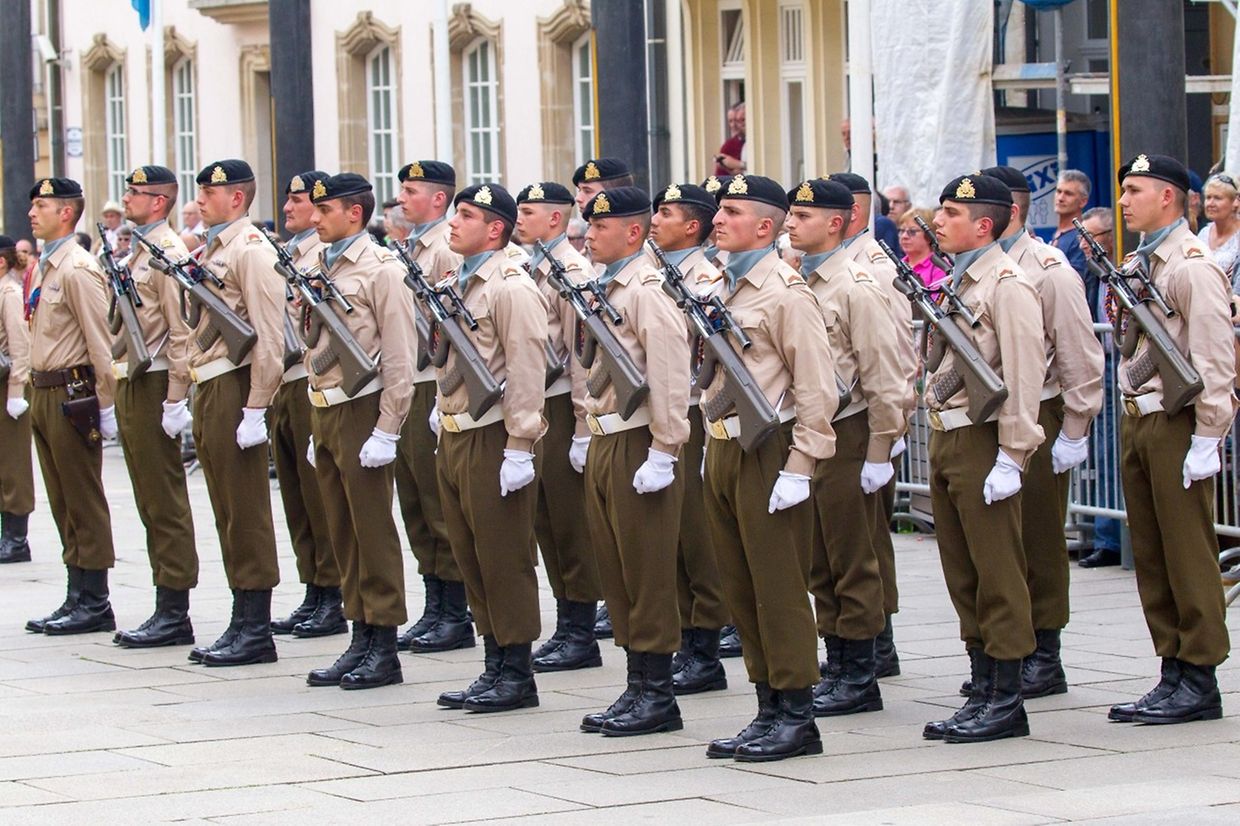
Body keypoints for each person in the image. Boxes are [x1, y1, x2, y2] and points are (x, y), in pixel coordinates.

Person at [702, 173, 839, 762]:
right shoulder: (719, 286)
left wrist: (801, 464)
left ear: (765, 226)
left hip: (770, 451)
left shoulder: (786, 293)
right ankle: (766, 705)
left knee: (779, 587)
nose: (717, 219)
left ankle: (797, 714)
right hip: (723, 446)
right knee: (741, 583)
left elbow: (817, 389)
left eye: (730, 211)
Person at [1107, 153, 1235, 725]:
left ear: (1167, 196)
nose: (1124, 200)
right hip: (1142, 419)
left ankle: (1200, 675)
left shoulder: (1190, 266)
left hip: (1177, 422)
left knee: (1186, 553)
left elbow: (1214, 358)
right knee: (1154, 555)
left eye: (1135, 190)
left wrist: (1209, 436)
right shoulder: (1143, 262)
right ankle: (1172, 669)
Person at [921, 173, 1045, 743]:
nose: (938, 222)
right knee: (963, 572)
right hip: (948, 437)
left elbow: (1023, 375)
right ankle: (981, 683)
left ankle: (1007, 697)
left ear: (984, 224)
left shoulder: (1008, 285)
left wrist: (1013, 455)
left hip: (984, 438)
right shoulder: (959, 281)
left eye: (950, 213)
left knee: (997, 573)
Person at [785, 178, 908, 719]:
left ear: (837, 223)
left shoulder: (858, 285)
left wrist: (881, 450)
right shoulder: (798, 282)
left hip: (852, 431)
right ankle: (836, 661)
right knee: (820, 558)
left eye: (803, 217)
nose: (791, 223)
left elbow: (888, 377)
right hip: (813, 431)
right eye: (789, 214)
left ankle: (860, 673)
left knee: (852, 558)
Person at [983, 165, 1105, 699]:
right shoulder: (980, 268)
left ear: (1008, 213)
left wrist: (1074, 429)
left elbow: (1079, 353)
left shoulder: (1049, 268)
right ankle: (1007, 644)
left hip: (1041, 410)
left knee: (1038, 536)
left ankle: (1045, 650)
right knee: (999, 542)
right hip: (992, 415)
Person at [577, 185, 691, 736]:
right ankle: (635, 683)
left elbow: (669, 376)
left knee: (645, 572)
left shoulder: (645, 291)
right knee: (617, 572)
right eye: (588, 226)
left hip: (638, 440)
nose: (590, 234)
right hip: (605, 438)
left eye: (601, 227)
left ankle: (658, 693)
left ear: (632, 232)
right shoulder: (603, 287)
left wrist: (665, 449)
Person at [433, 183, 549, 714]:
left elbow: (527, 369)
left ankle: (517, 671)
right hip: (457, 431)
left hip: (494, 434)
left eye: (466, 215)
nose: (454, 223)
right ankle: (492, 663)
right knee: (471, 555)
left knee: (503, 557)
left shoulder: (510, 287)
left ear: (495, 229)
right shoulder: (456, 279)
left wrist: (520, 445)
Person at [302, 172, 416, 690]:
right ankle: (359, 632)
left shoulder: (381, 270)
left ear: (354, 213)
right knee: (342, 529)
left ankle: (384, 642)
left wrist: (388, 427)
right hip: (326, 408)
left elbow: (398, 355)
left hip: (363, 408)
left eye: (326, 211)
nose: (315, 217)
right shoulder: (316, 263)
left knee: (371, 528)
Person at [183, 159, 285, 667]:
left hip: (235, 385)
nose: (201, 199)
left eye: (210, 192)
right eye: (200, 191)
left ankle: (256, 627)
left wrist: (256, 407)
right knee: (225, 507)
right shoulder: (216, 248)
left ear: (238, 199)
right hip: (210, 383)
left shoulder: (251, 252)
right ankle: (240, 617)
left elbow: (271, 338)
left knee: (245, 509)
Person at [829, 171, 919, 679]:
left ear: (852, 215)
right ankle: (862, 644)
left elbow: (893, 360)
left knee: (863, 541)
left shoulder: (872, 271)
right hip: (840, 421)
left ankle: (875, 646)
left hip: (864, 420)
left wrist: (887, 440)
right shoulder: (831, 268)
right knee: (845, 542)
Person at [514, 182, 606, 673]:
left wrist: (582, 427)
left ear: (555, 220)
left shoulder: (572, 272)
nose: (519, 218)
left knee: (571, 529)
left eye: (528, 211)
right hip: (538, 408)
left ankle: (581, 632)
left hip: (562, 407)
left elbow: (580, 358)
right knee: (547, 524)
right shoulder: (534, 266)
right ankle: (567, 624)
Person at [23, 178, 119, 635]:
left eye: (41, 205)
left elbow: (101, 341)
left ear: (66, 212)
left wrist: (106, 403)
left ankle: (95, 599)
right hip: (42, 389)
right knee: (61, 499)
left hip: (72, 392)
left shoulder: (78, 268)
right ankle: (75, 592)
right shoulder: (46, 265)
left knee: (83, 496)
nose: (31, 213)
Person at [648, 182, 733, 695]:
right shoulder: (655, 275)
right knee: (674, 535)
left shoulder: (708, 279)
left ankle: (705, 651)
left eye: (668, 213)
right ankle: (686, 639)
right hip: (668, 414)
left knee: (698, 537)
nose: (657, 220)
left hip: (700, 416)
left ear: (694, 226)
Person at [110, 165, 200, 648]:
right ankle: (163, 598)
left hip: (157, 380)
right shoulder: (137, 252)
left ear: (160, 202)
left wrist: (174, 398)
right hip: (132, 378)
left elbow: (180, 330)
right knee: (147, 495)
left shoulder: (167, 253)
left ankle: (175, 607)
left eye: (136, 193)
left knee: (163, 498)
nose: (127, 198)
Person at [393, 160, 472, 653]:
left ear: (439, 199)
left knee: (437, 502)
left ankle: (454, 610)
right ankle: (435, 601)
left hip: (432, 379)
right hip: (411, 378)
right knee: (415, 499)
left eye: (412, 190)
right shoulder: (415, 245)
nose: (401, 197)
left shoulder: (444, 249)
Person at [269, 171, 345, 639]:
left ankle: (332, 591)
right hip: (286, 378)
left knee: (320, 497)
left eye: (300, 202)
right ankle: (314, 587)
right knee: (296, 495)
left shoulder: (322, 257)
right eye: (293, 200)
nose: (292, 209)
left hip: (312, 380)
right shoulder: (292, 253)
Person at [1075, 206, 1123, 567]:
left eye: (1091, 237)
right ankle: (1103, 532)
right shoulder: (1091, 275)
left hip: (1120, 366)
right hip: (1098, 366)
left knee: (1113, 452)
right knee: (1100, 452)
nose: (1085, 245)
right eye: (1082, 238)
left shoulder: (1121, 273)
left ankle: (1113, 536)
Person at [0, 235, 33, 564]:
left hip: (7, 388)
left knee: (13, 467)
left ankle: (16, 538)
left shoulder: (8, 293)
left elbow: (19, 347)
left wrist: (15, 392)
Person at [1050, 170, 1095, 318]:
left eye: (1068, 194)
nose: (1061, 198)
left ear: (1083, 201)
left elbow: (1075, 283)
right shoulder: (1057, 235)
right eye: (1059, 191)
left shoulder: (1080, 238)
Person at [1196, 173, 1240, 282]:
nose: (1210, 203)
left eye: (1217, 198)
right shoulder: (1203, 233)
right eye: (1208, 197)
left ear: (1234, 202)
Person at [897, 207, 947, 297]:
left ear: (928, 234)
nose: (904, 236)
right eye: (902, 230)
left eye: (912, 231)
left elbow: (937, 302)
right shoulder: (898, 265)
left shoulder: (940, 266)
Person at [714, 102, 746, 177]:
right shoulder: (728, 146)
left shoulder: (752, 142)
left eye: (737, 120)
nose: (734, 125)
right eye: (730, 121)